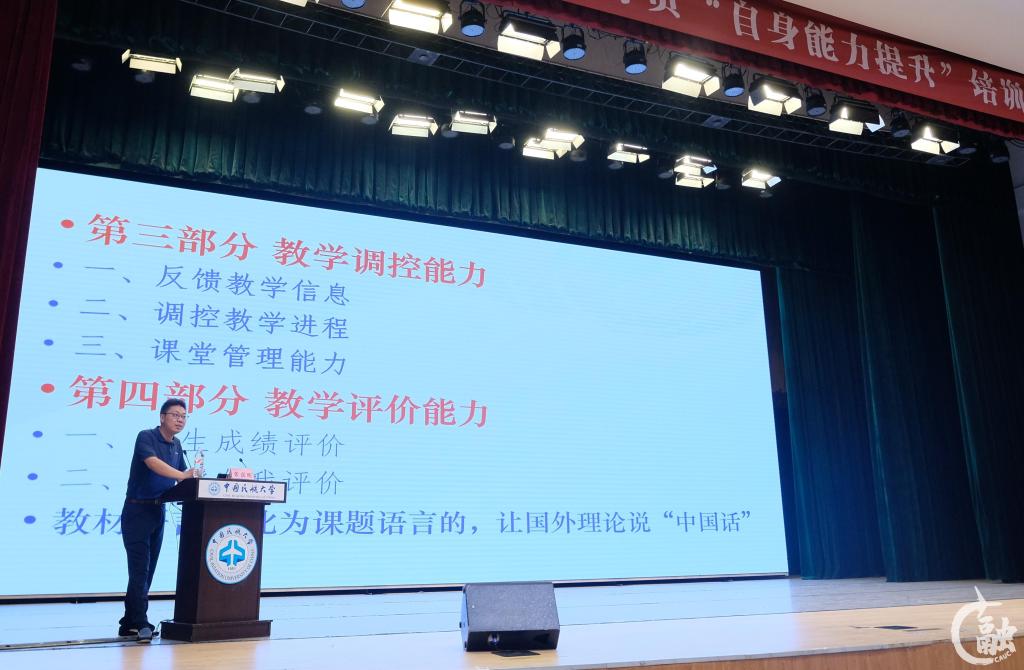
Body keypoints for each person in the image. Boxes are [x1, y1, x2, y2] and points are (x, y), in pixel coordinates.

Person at [118, 398, 198, 642]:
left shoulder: (177, 444)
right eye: (175, 415)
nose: (180, 420)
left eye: (184, 416)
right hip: (137, 511)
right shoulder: (146, 437)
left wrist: (196, 481)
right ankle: (141, 622)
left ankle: (129, 622)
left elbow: (183, 480)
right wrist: (183, 474)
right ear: (162, 417)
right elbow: (153, 464)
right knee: (140, 568)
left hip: (157, 511)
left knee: (148, 569)